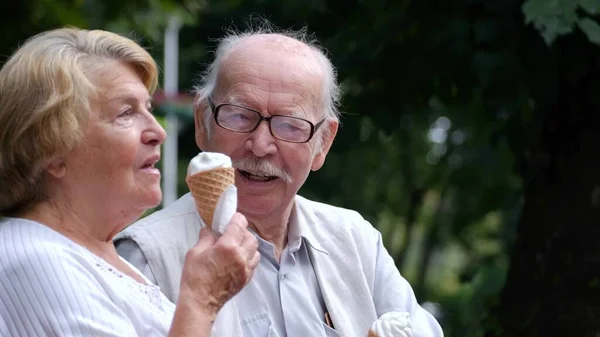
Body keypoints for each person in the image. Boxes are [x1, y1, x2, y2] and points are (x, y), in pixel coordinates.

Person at [115, 24, 444, 337]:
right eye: (240, 115)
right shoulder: (145, 256)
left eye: (290, 125)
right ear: (203, 122)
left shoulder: (354, 241)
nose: (260, 145)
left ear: (323, 144)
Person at [0, 27, 259, 337]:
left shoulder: (93, 255)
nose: (158, 132)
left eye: (148, 109)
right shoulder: (37, 259)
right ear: (51, 149)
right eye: (125, 113)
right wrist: (202, 299)